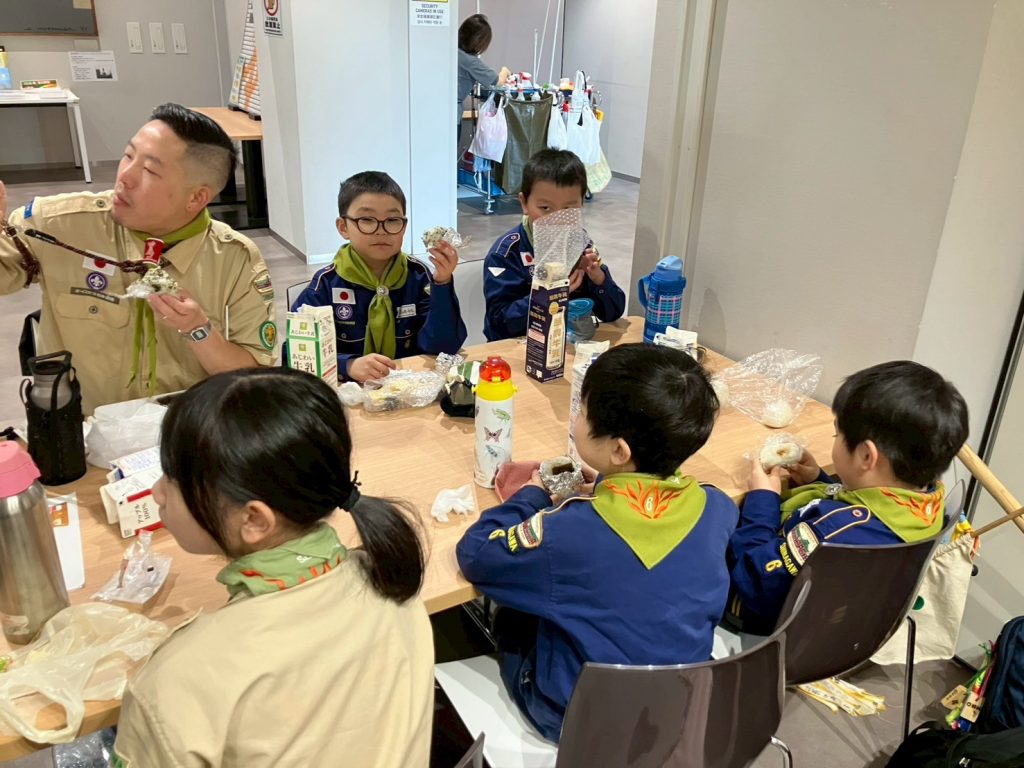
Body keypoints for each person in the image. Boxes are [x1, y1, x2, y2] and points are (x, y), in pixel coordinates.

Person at [111, 368, 434, 767]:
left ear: (254, 520)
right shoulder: (392, 576)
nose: (156, 491)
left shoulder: (175, 683)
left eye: (174, 478)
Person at [456, 344, 738, 742]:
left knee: (512, 612)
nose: (575, 418)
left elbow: (476, 554)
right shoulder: (717, 508)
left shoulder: (567, 533)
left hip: (579, 724)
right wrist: (608, 486)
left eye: (583, 412)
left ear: (619, 450)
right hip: (677, 709)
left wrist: (534, 492)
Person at [0, 103, 276, 414]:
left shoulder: (235, 258)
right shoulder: (56, 224)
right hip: (81, 430)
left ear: (196, 197)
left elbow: (254, 379)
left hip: (184, 427)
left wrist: (198, 329)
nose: (125, 177)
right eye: (128, 156)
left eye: (149, 171)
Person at [727, 360, 969, 634]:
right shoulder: (928, 503)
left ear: (866, 456)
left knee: (715, 508)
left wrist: (762, 500)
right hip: (841, 624)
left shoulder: (831, 531)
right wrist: (820, 482)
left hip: (757, 614)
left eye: (837, 434)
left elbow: (752, 581)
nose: (835, 439)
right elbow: (863, 522)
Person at [289, 171, 467, 382]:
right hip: (348, 390)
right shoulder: (325, 285)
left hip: (410, 387)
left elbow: (444, 347)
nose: (381, 231)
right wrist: (347, 365)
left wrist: (442, 283)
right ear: (343, 227)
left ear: (404, 226)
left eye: (392, 220)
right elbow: (293, 353)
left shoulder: (418, 276)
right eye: (367, 219)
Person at [482, 149, 625, 342]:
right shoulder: (506, 254)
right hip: (522, 348)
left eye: (568, 209)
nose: (556, 219)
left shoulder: (580, 243)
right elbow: (499, 324)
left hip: (571, 343)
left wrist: (598, 279)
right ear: (524, 203)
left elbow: (613, 312)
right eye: (545, 208)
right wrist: (548, 294)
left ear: (581, 205)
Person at [457, 14, 510, 140]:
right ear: (479, 42)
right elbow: (498, 82)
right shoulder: (470, 61)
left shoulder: (452, 50)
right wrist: (505, 70)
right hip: (451, 115)